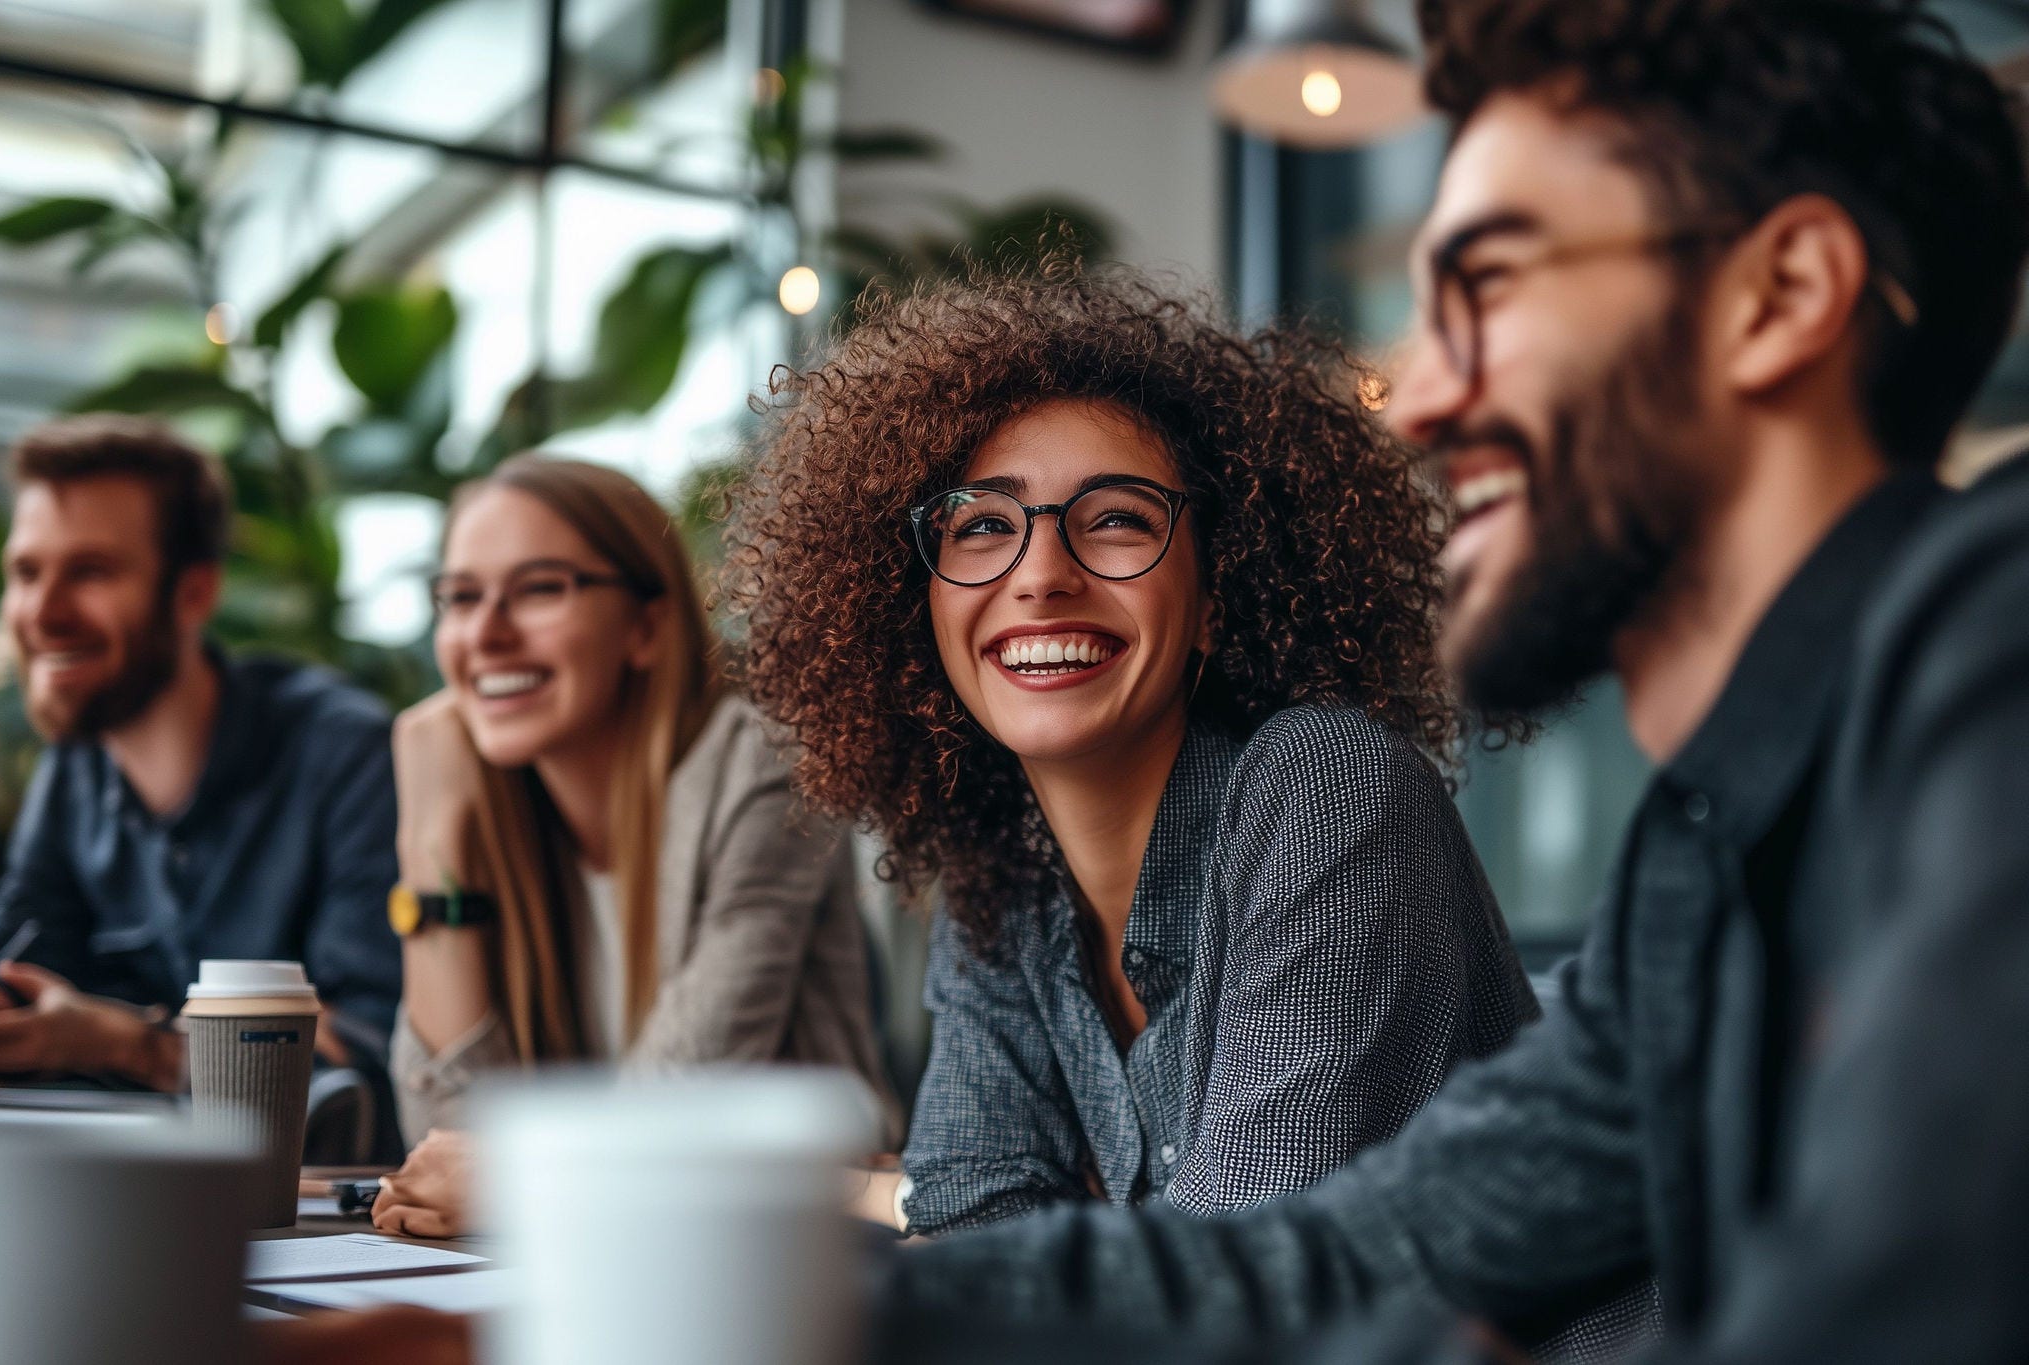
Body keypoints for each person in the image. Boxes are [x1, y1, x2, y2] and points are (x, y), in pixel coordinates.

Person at [871, 0, 2029, 1361]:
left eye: (1489, 283)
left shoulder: (1994, 645)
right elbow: (1354, 1252)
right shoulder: (1701, 857)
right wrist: (803, 1291)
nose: (1416, 400)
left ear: (1777, 297)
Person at [718, 263, 1536, 1238]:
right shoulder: (1003, 875)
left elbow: (1220, 1285)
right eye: (982, 525)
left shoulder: (1327, 788)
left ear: (1216, 595)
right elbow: (971, 1226)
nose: (1039, 576)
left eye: (1114, 520)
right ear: (917, 604)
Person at [372, 454, 894, 1238]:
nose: (485, 633)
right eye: (461, 597)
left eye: (541, 588)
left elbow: (671, 1104)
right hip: (590, 1259)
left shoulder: (761, 767)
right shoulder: (491, 807)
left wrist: (509, 1179)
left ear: (647, 627)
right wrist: (431, 838)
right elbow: (450, 1143)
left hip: (793, 1259)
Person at [0, 415, 401, 1124]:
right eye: (26, 572)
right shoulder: (76, 771)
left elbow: (367, 1065)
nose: (43, 612)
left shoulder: (346, 757)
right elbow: (12, 974)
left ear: (194, 593)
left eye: (90, 571)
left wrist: (138, 1048)